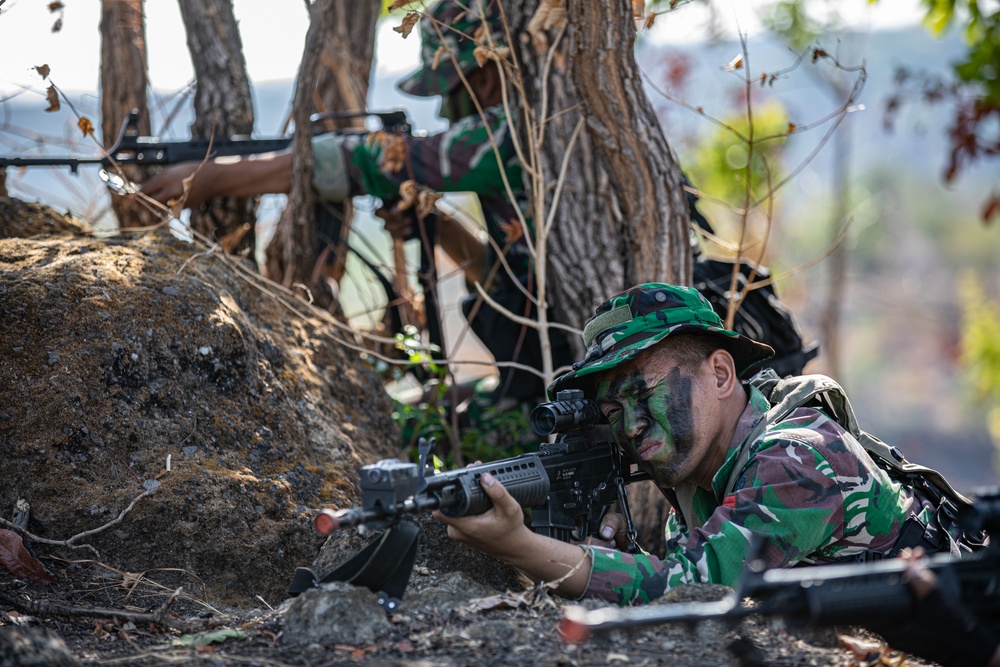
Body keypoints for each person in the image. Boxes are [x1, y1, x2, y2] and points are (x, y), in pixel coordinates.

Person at [435, 282, 984, 605]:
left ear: (722, 374)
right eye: (611, 411)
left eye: (641, 393)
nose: (630, 425)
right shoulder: (704, 487)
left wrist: (516, 544)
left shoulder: (799, 456)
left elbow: (689, 587)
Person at [140, 0, 574, 406]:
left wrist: (213, 177)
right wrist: (436, 226)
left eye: (453, 89)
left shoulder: (515, 134)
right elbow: (503, 277)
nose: (446, 111)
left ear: (484, 74)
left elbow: (364, 160)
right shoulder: (525, 135)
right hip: (549, 378)